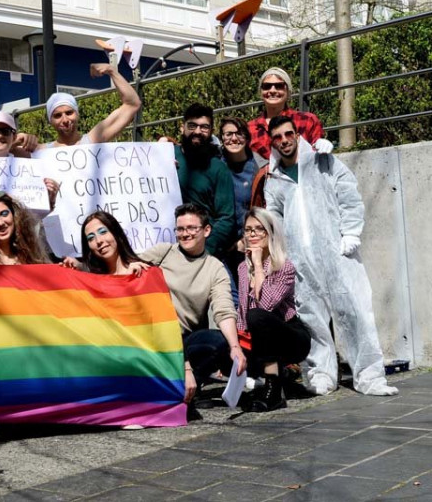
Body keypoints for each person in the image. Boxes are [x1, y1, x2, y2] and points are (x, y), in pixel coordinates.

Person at [264, 115, 398, 397]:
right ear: (272, 141)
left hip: (337, 253)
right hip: (301, 260)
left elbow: (348, 194)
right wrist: (281, 255)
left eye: (289, 134)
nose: (285, 141)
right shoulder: (273, 179)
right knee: (312, 319)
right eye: (278, 137)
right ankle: (321, 374)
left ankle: (370, 376)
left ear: (296, 133)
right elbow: (273, 220)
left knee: (356, 313)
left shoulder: (322, 160)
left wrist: (351, 232)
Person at [137, 204, 247, 404]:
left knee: (219, 342)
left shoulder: (215, 268)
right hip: (155, 335)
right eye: (180, 229)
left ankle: (189, 388)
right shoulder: (162, 253)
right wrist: (133, 264)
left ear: (206, 230)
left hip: (186, 339)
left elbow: (224, 310)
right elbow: (121, 268)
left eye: (191, 228)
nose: (185, 234)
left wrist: (234, 346)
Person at [236, 208, 310, 412]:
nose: (252, 235)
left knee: (258, 316)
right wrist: (236, 346)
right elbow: (243, 309)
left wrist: (258, 265)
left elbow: (265, 306)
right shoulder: (243, 268)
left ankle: (273, 391)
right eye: (248, 230)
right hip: (260, 339)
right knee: (222, 346)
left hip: (291, 337)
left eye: (259, 229)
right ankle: (282, 375)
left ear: (270, 234)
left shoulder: (284, 266)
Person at [247, 67, 331, 207]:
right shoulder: (250, 129)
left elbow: (318, 157)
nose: (272, 90)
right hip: (267, 198)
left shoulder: (307, 120)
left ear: (288, 91)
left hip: (304, 193)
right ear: (261, 92)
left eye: (279, 86)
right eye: (267, 86)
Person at [174, 103, 236, 256]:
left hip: (205, 252)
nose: (197, 131)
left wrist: (203, 250)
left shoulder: (219, 168)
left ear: (211, 131)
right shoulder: (166, 155)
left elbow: (226, 218)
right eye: (192, 126)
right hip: (167, 248)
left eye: (204, 127)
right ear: (182, 127)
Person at [36, 63, 142, 149]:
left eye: (69, 113)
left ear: (77, 114)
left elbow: (132, 104)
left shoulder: (92, 141)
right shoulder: (43, 152)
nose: (65, 119)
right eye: (57, 115)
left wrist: (112, 71)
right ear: (50, 121)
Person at [219, 116, 260, 306]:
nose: (234, 139)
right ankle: (238, 336)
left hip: (246, 246)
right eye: (228, 134)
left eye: (239, 134)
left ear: (247, 137)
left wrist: (244, 240)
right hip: (219, 247)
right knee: (231, 300)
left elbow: (262, 210)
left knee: (252, 298)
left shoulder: (257, 169)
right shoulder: (214, 163)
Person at [75, 211, 147, 277]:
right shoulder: (92, 283)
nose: (98, 241)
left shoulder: (144, 272)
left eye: (103, 232)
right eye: (91, 238)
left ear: (116, 233)